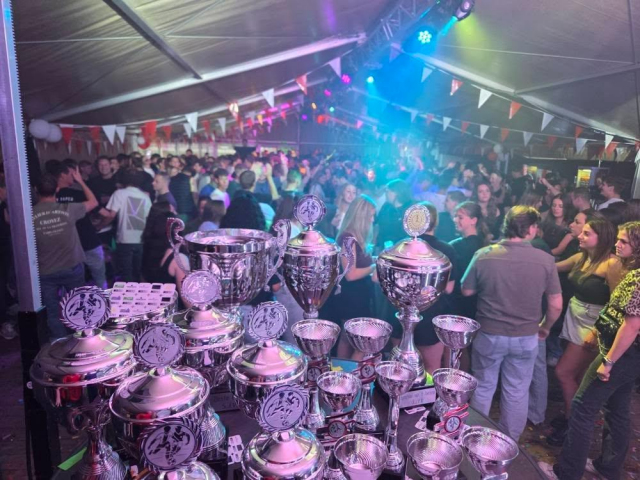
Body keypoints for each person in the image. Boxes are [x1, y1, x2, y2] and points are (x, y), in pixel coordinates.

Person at [540, 222, 640, 480]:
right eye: (618, 239)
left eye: (624, 241)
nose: (617, 244)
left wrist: (608, 360)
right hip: (627, 353)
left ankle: (567, 472)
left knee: (582, 407)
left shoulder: (636, 277)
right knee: (618, 408)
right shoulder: (631, 271)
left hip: (622, 351)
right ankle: (608, 467)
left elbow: (631, 325)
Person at [461, 206, 563, 441]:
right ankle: (507, 443)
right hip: (526, 336)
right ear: (531, 228)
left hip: (489, 333)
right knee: (517, 391)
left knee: (484, 387)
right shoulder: (545, 260)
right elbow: (556, 305)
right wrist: (545, 327)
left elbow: (466, 290)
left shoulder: (484, 254)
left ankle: (474, 440)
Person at [547, 217, 622, 445]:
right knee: (577, 376)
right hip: (575, 319)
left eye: (587, 233)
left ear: (602, 238)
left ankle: (573, 424)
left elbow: (617, 304)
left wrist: (597, 332)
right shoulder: (582, 257)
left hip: (593, 326)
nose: (580, 236)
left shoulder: (611, 264)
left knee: (563, 372)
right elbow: (551, 266)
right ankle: (572, 417)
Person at [33, 172, 98, 341]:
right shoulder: (68, 208)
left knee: (52, 312)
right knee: (79, 306)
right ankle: (83, 341)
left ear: (35, 190)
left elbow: (9, 219)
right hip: (72, 267)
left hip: (45, 271)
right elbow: (93, 202)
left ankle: (60, 345)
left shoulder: (29, 214)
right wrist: (80, 181)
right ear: (57, 189)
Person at [323, 195, 377, 359]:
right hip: (352, 298)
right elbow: (351, 274)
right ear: (361, 216)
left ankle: (342, 370)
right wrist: (374, 267)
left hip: (357, 295)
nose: (373, 220)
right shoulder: (348, 239)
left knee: (347, 341)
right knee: (362, 344)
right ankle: (351, 372)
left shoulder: (355, 238)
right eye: (371, 216)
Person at [414, 202, 458, 373]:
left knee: (403, 368)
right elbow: (449, 288)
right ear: (436, 222)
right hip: (430, 315)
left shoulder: (402, 246)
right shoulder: (446, 249)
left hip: (400, 313)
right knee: (431, 368)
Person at [54, 161, 107, 289]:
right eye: (72, 174)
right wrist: (81, 182)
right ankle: (103, 299)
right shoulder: (78, 194)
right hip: (87, 241)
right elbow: (98, 207)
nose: (74, 176)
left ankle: (75, 301)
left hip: (67, 245)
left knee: (71, 283)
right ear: (63, 175)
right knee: (99, 278)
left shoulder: (52, 197)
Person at [102, 169, 152, 282]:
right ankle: (138, 292)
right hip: (140, 239)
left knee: (126, 273)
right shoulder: (144, 196)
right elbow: (149, 217)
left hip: (124, 239)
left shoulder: (119, 193)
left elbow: (111, 215)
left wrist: (100, 225)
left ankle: (129, 292)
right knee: (137, 272)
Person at [141, 202, 188, 296]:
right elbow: (188, 299)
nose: (176, 214)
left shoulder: (148, 246)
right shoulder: (177, 259)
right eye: (173, 211)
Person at [375, 179, 413, 252]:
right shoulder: (386, 207)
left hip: (402, 250)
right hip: (383, 248)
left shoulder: (409, 210)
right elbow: (378, 225)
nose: (385, 194)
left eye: (387, 191)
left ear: (396, 193)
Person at [167, 156, 195, 221]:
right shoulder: (165, 177)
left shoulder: (187, 178)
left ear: (179, 164)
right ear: (170, 163)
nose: (174, 163)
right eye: (173, 161)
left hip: (183, 209)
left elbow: (193, 194)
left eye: (176, 162)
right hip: (173, 208)